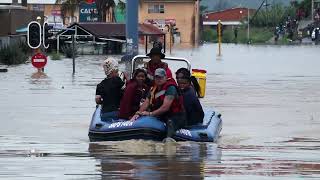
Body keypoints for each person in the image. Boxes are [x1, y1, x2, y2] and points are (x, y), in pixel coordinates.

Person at [131, 68, 185, 139]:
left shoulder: (170, 88)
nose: (159, 79)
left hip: (176, 116)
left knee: (170, 123)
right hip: (163, 115)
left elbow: (165, 107)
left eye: (161, 77)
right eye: (157, 77)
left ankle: (169, 141)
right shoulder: (153, 89)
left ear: (165, 77)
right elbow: (146, 103)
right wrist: (138, 113)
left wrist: (150, 114)